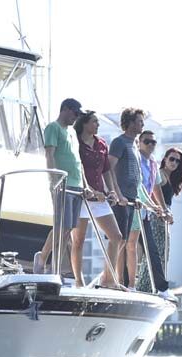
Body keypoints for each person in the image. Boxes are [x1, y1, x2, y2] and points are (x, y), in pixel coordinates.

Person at [33, 98, 89, 288]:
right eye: (75, 113)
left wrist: (85, 184)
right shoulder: (53, 127)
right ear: (65, 109)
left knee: (67, 229)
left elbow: (77, 161)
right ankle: (44, 259)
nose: (76, 118)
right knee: (60, 226)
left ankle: (52, 265)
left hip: (77, 185)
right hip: (62, 184)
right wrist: (53, 179)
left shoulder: (72, 132)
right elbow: (49, 154)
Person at [73, 111, 124, 289]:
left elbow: (106, 170)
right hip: (81, 196)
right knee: (78, 241)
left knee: (116, 237)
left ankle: (108, 279)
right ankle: (79, 282)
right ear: (84, 123)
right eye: (94, 121)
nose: (97, 125)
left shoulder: (101, 143)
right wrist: (90, 190)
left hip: (100, 197)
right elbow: (77, 167)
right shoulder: (75, 142)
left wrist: (111, 191)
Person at [133, 130, 176, 301]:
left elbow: (155, 188)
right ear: (139, 142)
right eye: (147, 141)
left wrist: (163, 209)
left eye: (153, 142)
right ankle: (125, 283)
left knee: (152, 252)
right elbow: (138, 186)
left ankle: (161, 288)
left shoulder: (152, 163)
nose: (150, 145)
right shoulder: (135, 159)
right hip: (133, 209)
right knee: (125, 247)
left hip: (145, 214)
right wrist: (153, 206)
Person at [138, 147, 182, 294]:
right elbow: (152, 193)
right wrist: (162, 211)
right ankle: (147, 286)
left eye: (177, 161)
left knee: (162, 252)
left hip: (163, 218)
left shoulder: (169, 177)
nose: (174, 163)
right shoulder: (160, 174)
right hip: (156, 217)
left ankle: (150, 285)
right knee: (156, 253)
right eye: (171, 159)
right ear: (165, 159)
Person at [107, 108, 145, 288]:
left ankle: (111, 278)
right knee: (118, 239)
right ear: (130, 123)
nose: (142, 125)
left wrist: (136, 197)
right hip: (120, 200)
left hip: (131, 200)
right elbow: (109, 168)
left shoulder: (135, 145)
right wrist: (118, 194)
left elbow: (136, 175)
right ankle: (109, 279)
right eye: (139, 121)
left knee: (124, 240)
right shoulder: (119, 142)